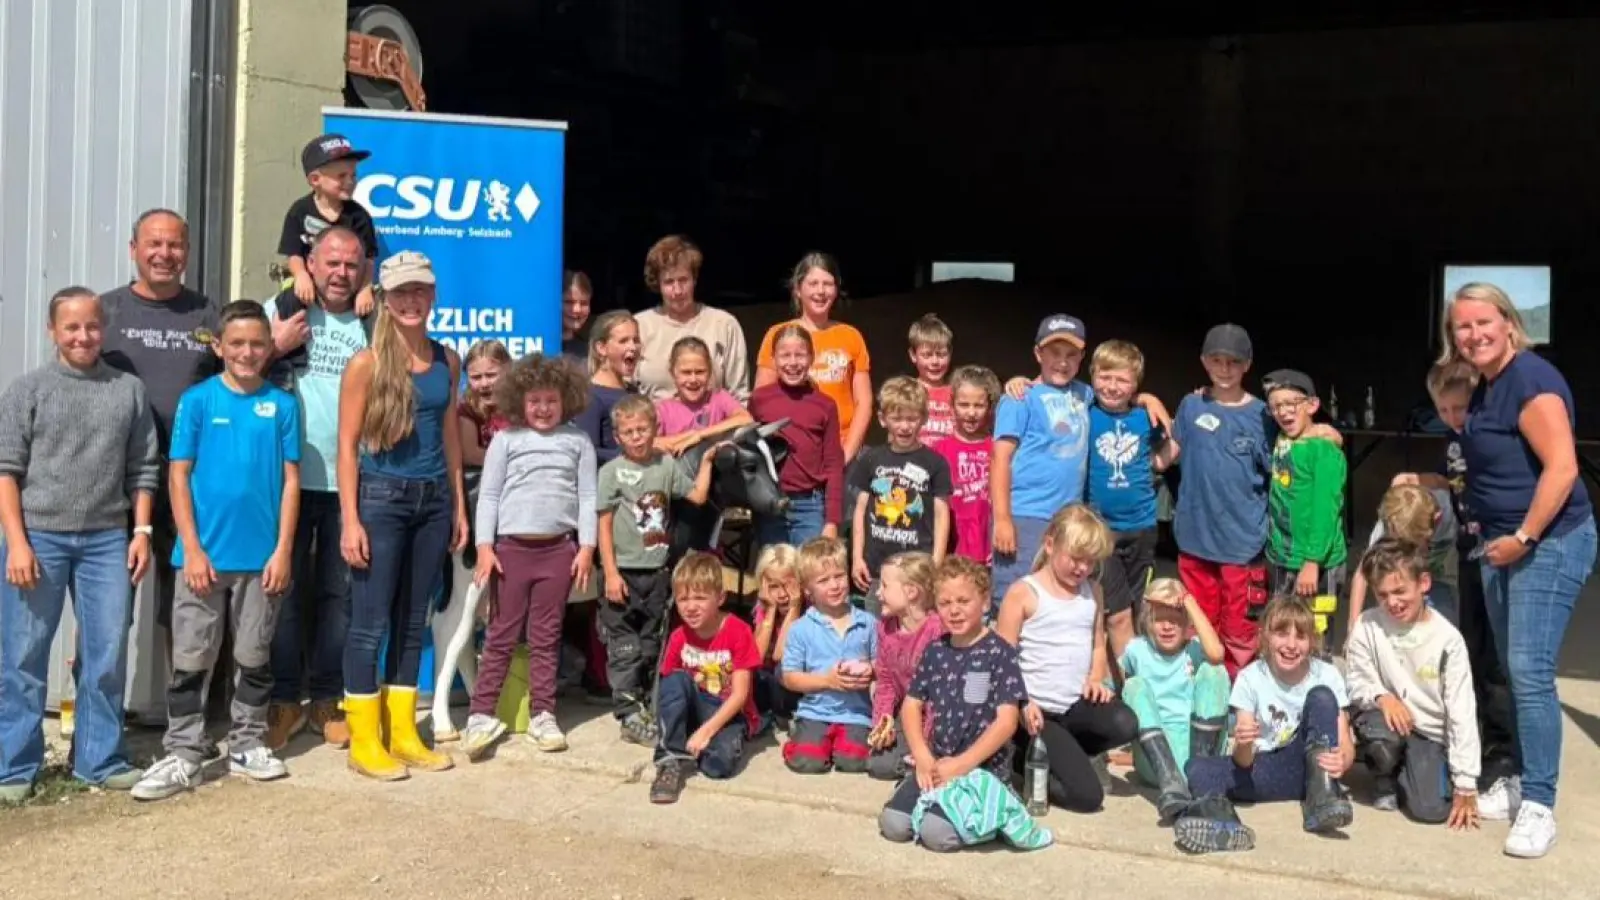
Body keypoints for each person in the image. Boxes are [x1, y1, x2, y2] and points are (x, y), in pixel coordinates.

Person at [1441, 282, 1595, 858]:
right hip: (1500, 545)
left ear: (1509, 322)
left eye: (1484, 322)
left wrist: (1525, 536)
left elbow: (1562, 468)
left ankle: (1539, 803)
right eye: (1462, 327)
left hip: (1547, 541)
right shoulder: (1486, 384)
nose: (1474, 334)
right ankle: (1520, 782)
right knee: (1511, 666)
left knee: (1529, 670)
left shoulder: (1530, 380)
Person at [131, 301, 301, 801]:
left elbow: (291, 482)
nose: (248, 352)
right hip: (201, 560)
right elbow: (178, 474)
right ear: (221, 347)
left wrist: (284, 550)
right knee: (192, 658)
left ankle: (248, 741)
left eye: (257, 343)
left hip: (261, 560)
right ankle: (184, 751)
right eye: (238, 344)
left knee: (253, 655)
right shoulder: (199, 401)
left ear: (270, 348)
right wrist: (193, 548)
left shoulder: (283, 406)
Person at [0, 288, 159, 801]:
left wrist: (141, 532)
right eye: (71, 327)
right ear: (53, 331)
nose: (83, 336)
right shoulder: (27, 391)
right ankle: (14, 768)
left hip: (106, 540)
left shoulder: (128, 391)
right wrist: (17, 544)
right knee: (23, 654)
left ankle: (98, 759)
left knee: (106, 652)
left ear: (102, 329)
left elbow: (144, 470)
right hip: (39, 539)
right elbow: (6, 472)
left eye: (91, 326)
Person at [336, 251, 469, 781]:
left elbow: (450, 440)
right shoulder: (365, 364)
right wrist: (350, 518)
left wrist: (458, 504)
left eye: (420, 291)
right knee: (370, 624)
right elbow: (346, 446)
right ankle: (364, 738)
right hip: (381, 500)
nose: (411, 301)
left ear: (432, 296)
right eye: (400, 293)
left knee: (413, 623)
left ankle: (403, 731)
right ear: (385, 302)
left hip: (433, 501)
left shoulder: (447, 360)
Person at [262, 227, 373, 752]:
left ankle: (327, 697)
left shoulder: (377, 322)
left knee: (339, 596)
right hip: (284, 480)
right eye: (331, 262)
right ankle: (284, 699)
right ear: (310, 262)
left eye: (351, 264)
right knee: (282, 592)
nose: (341, 273)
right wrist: (275, 346)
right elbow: (230, 372)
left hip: (350, 483)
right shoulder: (280, 308)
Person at [457, 354, 597, 759]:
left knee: (546, 637)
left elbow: (588, 496)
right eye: (534, 401)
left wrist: (585, 547)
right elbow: (490, 496)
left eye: (551, 400)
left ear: (565, 400)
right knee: (500, 635)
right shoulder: (506, 440)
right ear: (519, 401)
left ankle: (543, 715)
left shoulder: (577, 441)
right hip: (510, 552)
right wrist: (485, 547)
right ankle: (481, 715)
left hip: (559, 552)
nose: (542, 408)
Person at [100, 209, 223, 648]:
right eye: (154, 243)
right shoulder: (105, 311)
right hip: (117, 480)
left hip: (185, 479)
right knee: (110, 604)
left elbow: (234, 379)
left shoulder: (207, 313)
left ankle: (186, 713)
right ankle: (100, 714)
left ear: (187, 253)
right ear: (135, 249)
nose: (164, 254)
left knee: (187, 603)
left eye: (174, 245)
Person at [1391, 359, 1514, 781]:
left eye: (1459, 408)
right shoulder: (1455, 438)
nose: (1451, 417)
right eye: (1443, 410)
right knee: (1474, 647)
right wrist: (1422, 476)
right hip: (1470, 549)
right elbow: (1454, 479)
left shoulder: (1492, 438)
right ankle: (1477, 739)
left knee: (1499, 659)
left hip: (1501, 550)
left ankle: (1504, 757)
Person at [880, 556, 1047, 853]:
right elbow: (911, 705)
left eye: (963, 601)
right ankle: (941, 804)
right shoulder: (936, 651)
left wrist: (961, 765)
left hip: (980, 771)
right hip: (937, 764)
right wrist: (922, 756)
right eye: (945, 603)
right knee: (893, 824)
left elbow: (1007, 722)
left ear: (984, 603)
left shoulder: (1000, 652)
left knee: (936, 835)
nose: (954, 610)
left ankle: (996, 812)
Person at [1176, 596, 1355, 855]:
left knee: (1322, 696)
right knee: (1195, 768)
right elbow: (1244, 762)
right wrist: (1244, 742)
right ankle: (1223, 823)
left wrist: (1344, 760)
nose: (1291, 645)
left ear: (1312, 641)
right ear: (1265, 636)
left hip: (1312, 768)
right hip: (1268, 770)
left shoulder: (1326, 674)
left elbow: (1346, 744)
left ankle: (1322, 801)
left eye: (1301, 636)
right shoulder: (1250, 677)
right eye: (1282, 634)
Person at [995, 504, 1138, 813]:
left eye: (1090, 561)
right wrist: (1022, 702)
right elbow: (1001, 660)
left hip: (1073, 704)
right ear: (1050, 545)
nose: (1082, 569)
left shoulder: (1092, 592)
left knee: (1125, 723)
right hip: (1036, 712)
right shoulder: (1024, 592)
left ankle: (1067, 754)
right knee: (1088, 797)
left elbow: (1097, 642)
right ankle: (1023, 759)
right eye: (1075, 558)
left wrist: (1096, 677)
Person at [597, 395, 717, 745]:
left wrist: (707, 461)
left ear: (655, 429)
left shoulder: (665, 465)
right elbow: (603, 525)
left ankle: (646, 706)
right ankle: (628, 714)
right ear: (618, 437)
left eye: (642, 429)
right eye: (628, 432)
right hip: (623, 572)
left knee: (651, 644)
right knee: (625, 646)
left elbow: (695, 496)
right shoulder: (611, 472)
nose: (636, 437)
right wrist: (611, 572)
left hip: (657, 572)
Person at [1346, 540, 1481, 829]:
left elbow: (1462, 710)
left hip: (1428, 732)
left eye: (1399, 591)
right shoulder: (1367, 625)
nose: (1392, 602)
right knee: (1382, 740)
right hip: (1384, 716)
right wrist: (1382, 697)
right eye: (1382, 595)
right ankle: (1383, 775)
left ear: (1424, 583)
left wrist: (1465, 783)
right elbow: (1355, 682)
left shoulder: (1448, 640)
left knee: (1430, 810)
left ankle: (1409, 770)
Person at [1171, 324, 1273, 677]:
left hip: (1242, 542)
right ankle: (1200, 693)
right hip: (1195, 538)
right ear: (1204, 361)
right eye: (1217, 360)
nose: (1225, 369)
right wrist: (1145, 405)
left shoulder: (1263, 415)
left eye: (1234, 362)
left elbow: (1286, 457)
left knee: (1241, 630)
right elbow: (1170, 450)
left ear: (1247, 365)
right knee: (1198, 624)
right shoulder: (1190, 404)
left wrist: (1322, 431)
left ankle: (1236, 704)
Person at [990, 315, 1095, 605]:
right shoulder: (1020, 397)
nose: (1062, 362)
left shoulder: (1085, 394)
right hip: (1025, 515)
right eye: (1054, 353)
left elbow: (1119, 395)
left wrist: (1147, 398)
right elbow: (1000, 458)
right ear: (1038, 353)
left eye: (1071, 354)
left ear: (1082, 357)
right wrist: (1002, 519)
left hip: (1067, 520)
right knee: (1014, 598)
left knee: (1058, 601)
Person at [1084, 340, 1179, 660]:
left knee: (1138, 604)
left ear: (1135, 384)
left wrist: (1156, 464)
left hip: (1140, 525)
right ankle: (1112, 671)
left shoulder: (1144, 417)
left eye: (1122, 380)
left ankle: (1135, 666)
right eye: (1104, 377)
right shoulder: (1085, 411)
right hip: (1100, 528)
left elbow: (1172, 445)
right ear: (1092, 375)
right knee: (1111, 606)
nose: (1112, 386)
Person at [648, 552, 763, 803]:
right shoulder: (679, 636)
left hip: (728, 711)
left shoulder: (738, 631)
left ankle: (691, 742)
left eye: (700, 598)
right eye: (683, 599)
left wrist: (706, 731)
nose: (690, 606)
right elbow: (669, 690)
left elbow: (740, 695)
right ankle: (670, 760)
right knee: (675, 680)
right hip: (694, 704)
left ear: (720, 598)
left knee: (717, 767)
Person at [1118, 578, 1229, 823]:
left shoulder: (1195, 649)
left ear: (1188, 623)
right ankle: (1173, 783)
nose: (1167, 626)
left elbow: (1217, 654)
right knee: (1134, 685)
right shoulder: (1136, 650)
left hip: (1197, 748)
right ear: (1148, 620)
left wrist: (1188, 600)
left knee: (1215, 671)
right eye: (1159, 619)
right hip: (1157, 759)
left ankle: (1203, 777)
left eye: (1176, 619)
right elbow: (1125, 696)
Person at [755, 253, 872, 461]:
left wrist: (846, 454)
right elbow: (762, 401)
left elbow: (864, 402)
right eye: (813, 283)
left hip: (842, 448)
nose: (820, 291)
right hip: (793, 453)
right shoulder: (778, 335)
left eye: (828, 284)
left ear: (836, 290)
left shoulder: (851, 336)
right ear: (798, 290)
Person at [850, 377, 953, 601]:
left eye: (911, 419)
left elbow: (941, 514)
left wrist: (936, 562)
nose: (904, 426)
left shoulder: (935, 463)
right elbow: (860, 510)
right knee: (879, 629)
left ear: (923, 419)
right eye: (896, 419)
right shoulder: (871, 458)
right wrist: (857, 557)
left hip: (917, 568)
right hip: (877, 568)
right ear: (882, 419)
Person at [780, 537, 877, 774]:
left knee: (854, 762)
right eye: (823, 580)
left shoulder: (868, 623)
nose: (834, 585)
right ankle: (803, 736)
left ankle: (837, 741)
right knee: (807, 762)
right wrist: (827, 681)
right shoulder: (801, 628)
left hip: (856, 714)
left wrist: (871, 672)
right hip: (815, 711)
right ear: (808, 591)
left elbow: (881, 665)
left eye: (839, 576)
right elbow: (790, 678)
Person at [1262, 370, 1348, 629]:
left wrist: (1312, 562)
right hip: (1282, 557)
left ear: (1312, 405)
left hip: (1316, 564)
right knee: (1279, 629)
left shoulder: (1324, 451)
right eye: (1276, 406)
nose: (1283, 412)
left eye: (1291, 404)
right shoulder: (1283, 438)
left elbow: (1326, 510)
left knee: (1313, 634)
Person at [748, 324, 844, 547]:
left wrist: (831, 521)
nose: (792, 363)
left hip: (810, 506)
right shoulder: (759, 400)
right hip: (771, 504)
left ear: (812, 357)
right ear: (773, 358)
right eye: (785, 355)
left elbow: (833, 464)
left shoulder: (825, 405)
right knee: (775, 574)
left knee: (811, 575)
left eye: (800, 355)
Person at [634, 235, 749, 403]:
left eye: (683, 280)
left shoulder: (724, 324)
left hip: (714, 426)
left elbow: (739, 395)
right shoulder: (639, 326)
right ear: (657, 284)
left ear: (694, 279)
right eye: (668, 282)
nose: (677, 290)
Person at [276, 134, 378, 316]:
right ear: (315, 180)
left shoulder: (359, 216)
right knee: (290, 300)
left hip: (346, 287)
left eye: (353, 175)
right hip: (308, 283)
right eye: (341, 176)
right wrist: (301, 275)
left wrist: (364, 288)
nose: (350, 182)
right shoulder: (299, 211)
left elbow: (368, 258)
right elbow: (293, 253)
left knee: (370, 309)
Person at [865, 552, 945, 781]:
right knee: (878, 765)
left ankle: (926, 763)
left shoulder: (938, 631)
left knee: (925, 757)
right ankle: (912, 765)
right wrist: (883, 719)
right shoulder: (886, 628)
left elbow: (938, 697)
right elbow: (886, 681)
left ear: (911, 592)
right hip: (907, 716)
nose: (878, 593)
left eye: (885, 586)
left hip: (938, 719)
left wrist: (925, 747)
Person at [1345, 484, 1458, 637]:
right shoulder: (1391, 523)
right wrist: (1353, 628)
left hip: (1441, 579)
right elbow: (1362, 574)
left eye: (1415, 541)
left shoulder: (1449, 509)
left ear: (1436, 520)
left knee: (1441, 632)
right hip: (1401, 581)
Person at [933, 365, 999, 566]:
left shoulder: (998, 449)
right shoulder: (939, 450)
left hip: (990, 550)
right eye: (964, 404)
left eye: (978, 406)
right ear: (952, 404)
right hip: (952, 550)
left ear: (990, 407)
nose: (971, 413)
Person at [654, 336, 754, 454]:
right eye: (686, 372)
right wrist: (689, 436)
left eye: (700, 372)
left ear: (710, 371)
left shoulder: (719, 397)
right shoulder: (663, 409)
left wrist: (700, 435)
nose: (693, 379)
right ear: (672, 373)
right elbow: (652, 443)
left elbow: (745, 419)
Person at [573, 310, 641, 467]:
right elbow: (588, 450)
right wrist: (634, 452)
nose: (633, 347)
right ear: (602, 348)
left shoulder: (633, 391)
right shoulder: (592, 396)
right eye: (623, 341)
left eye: (636, 340)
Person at [751, 544, 803, 731]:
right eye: (773, 587)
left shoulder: (807, 609)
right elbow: (754, 657)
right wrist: (771, 611)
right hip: (769, 682)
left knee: (782, 667)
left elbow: (781, 654)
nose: (781, 595)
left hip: (793, 684)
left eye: (788, 586)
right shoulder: (764, 607)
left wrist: (795, 608)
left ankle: (785, 714)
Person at [456, 341, 514, 469]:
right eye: (476, 377)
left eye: (491, 375)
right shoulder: (468, 409)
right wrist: (516, 460)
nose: (484, 384)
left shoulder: (524, 405)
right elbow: (471, 454)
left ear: (508, 370)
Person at [908, 314, 955, 447]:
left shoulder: (958, 393)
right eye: (927, 355)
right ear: (913, 355)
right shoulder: (904, 392)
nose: (935, 362)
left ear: (950, 353)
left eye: (941, 354)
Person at [560, 270, 594, 366]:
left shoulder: (592, 354)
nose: (577, 309)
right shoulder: (537, 346)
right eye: (568, 302)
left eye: (584, 303)